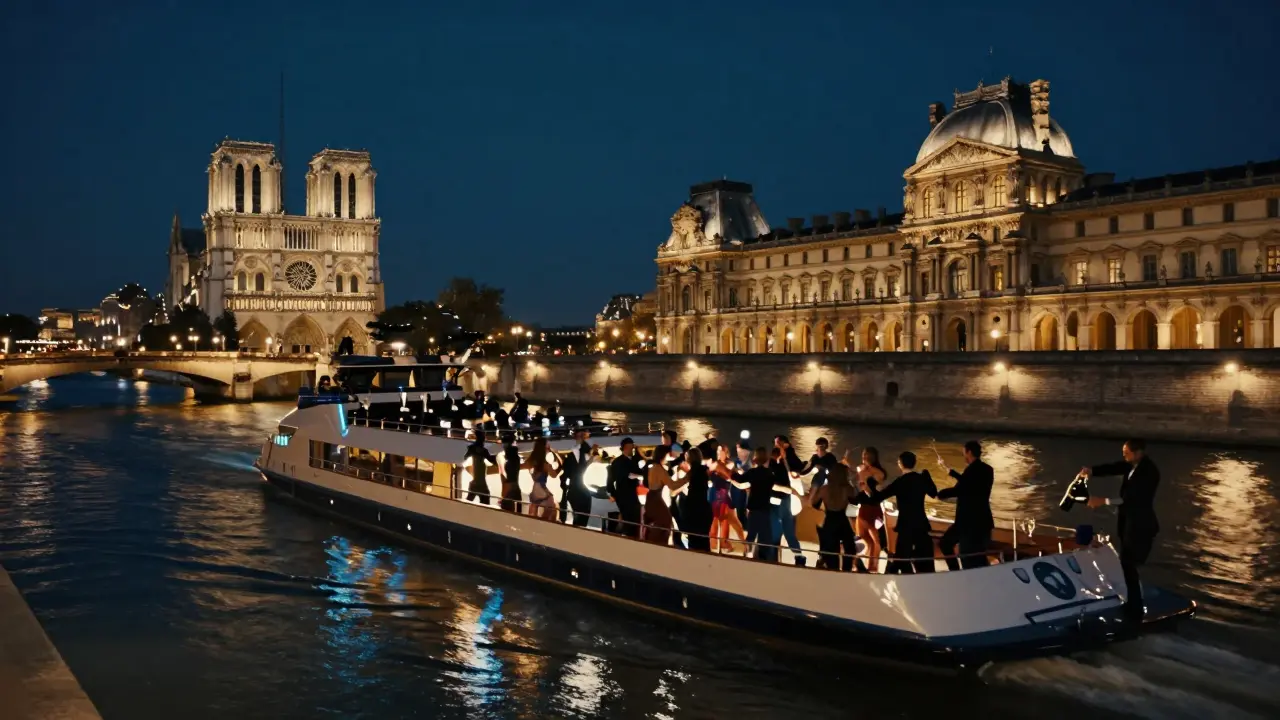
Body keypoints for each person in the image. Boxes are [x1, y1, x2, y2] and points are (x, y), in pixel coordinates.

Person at [1081, 438, 1161, 627]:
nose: (1123, 456)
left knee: (1129, 565)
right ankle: (1133, 604)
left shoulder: (1148, 473)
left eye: (1126, 453)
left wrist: (1102, 501)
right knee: (1127, 565)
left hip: (1140, 526)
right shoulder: (1132, 465)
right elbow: (1115, 467)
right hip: (1129, 524)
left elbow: (1130, 500)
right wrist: (1092, 471)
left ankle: (1135, 610)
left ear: (1138, 452)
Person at [862, 451, 938, 574]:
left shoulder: (900, 482)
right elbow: (934, 493)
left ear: (900, 464)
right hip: (921, 524)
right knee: (925, 560)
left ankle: (896, 578)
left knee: (901, 558)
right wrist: (927, 477)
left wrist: (870, 486)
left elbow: (877, 498)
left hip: (905, 525)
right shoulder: (921, 479)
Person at [936, 440, 995, 570]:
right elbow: (968, 484)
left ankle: (957, 572)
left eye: (964, 453)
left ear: (969, 452)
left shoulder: (971, 472)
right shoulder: (987, 470)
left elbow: (961, 488)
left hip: (968, 523)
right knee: (977, 555)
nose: (964, 457)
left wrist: (940, 494)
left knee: (968, 556)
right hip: (983, 520)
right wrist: (950, 471)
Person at [731, 447, 779, 562]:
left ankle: (746, 557)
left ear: (755, 459)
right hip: (765, 509)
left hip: (753, 509)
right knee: (764, 536)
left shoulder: (753, 472)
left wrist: (732, 471)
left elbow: (740, 479)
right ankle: (763, 559)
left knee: (751, 535)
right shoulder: (770, 474)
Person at [809, 463, 860, 571]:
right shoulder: (847, 489)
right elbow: (856, 501)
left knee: (832, 550)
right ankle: (847, 570)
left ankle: (834, 571)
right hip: (842, 519)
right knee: (849, 548)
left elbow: (814, 503)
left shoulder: (824, 489)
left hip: (830, 520)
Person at [847, 447, 886, 573]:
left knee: (876, 540)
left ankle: (873, 566)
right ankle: (860, 564)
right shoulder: (861, 469)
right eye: (863, 455)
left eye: (867, 456)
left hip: (874, 509)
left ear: (872, 458)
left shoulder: (878, 472)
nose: (864, 458)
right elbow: (855, 474)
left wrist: (867, 470)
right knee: (862, 536)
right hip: (863, 508)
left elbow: (879, 482)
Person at [671, 447, 713, 552]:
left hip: (693, 510)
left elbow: (676, 487)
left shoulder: (692, 472)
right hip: (704, 508)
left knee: (693, 539)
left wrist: (675, 475)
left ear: (689, 459)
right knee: (704, 539)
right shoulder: (704, 470)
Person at [769, 445, 806, 565]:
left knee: (777, 534)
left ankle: (773, 560)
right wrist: (793, 493)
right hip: (784, 501)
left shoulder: (775, 467)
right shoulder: (780, 467)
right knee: (788, 533)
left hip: (778, 503)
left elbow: (773, 485)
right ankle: (799, 558)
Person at [607, 438, 645, 538]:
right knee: (629, 519)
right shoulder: (618, 462)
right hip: (623, 494)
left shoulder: (634, 460)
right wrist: (612, 494)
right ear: (624, 448)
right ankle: (629, 536)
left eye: (632, 447)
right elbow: (628, 475)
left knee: (635, 518)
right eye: (629, 447)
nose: (631, 450)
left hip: (633, 494)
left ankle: (634, 536)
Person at [561, 430, 597, 526]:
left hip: (574, 489)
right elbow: (581, 467)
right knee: (581, 514)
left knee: (579, 515)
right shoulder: (577, 453)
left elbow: (581, 467)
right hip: (577, 489)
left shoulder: (576, 454)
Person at [523, 437, 560, 520]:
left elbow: (522, 466)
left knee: (533, 514)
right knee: (552, 508)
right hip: (541, 489)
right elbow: (554, 475)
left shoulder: (532, 460)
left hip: (535, 489)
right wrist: (555, 453)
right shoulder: (545, 465)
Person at [642, 453, 675, 546]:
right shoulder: (658, 469)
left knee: (661, 525)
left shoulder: (654, 468)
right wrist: (686, 478)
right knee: (663, 524)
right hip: (657, 499)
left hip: (656, 499)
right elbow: (672, 485)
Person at [462, 430, 498, 504]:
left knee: (469, 501)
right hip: (481, 483)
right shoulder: (483, 450)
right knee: (485, 500)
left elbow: (465, 457)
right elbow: (492, 460)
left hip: (476, 483)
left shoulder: (473, 448)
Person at [498, 433, 523, 514]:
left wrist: (502, 496)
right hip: (517, 490)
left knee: (506, 517)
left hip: (508, 491)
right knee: (519, 516)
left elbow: (505, 477)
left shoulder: (504, 458)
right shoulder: (517, 458)